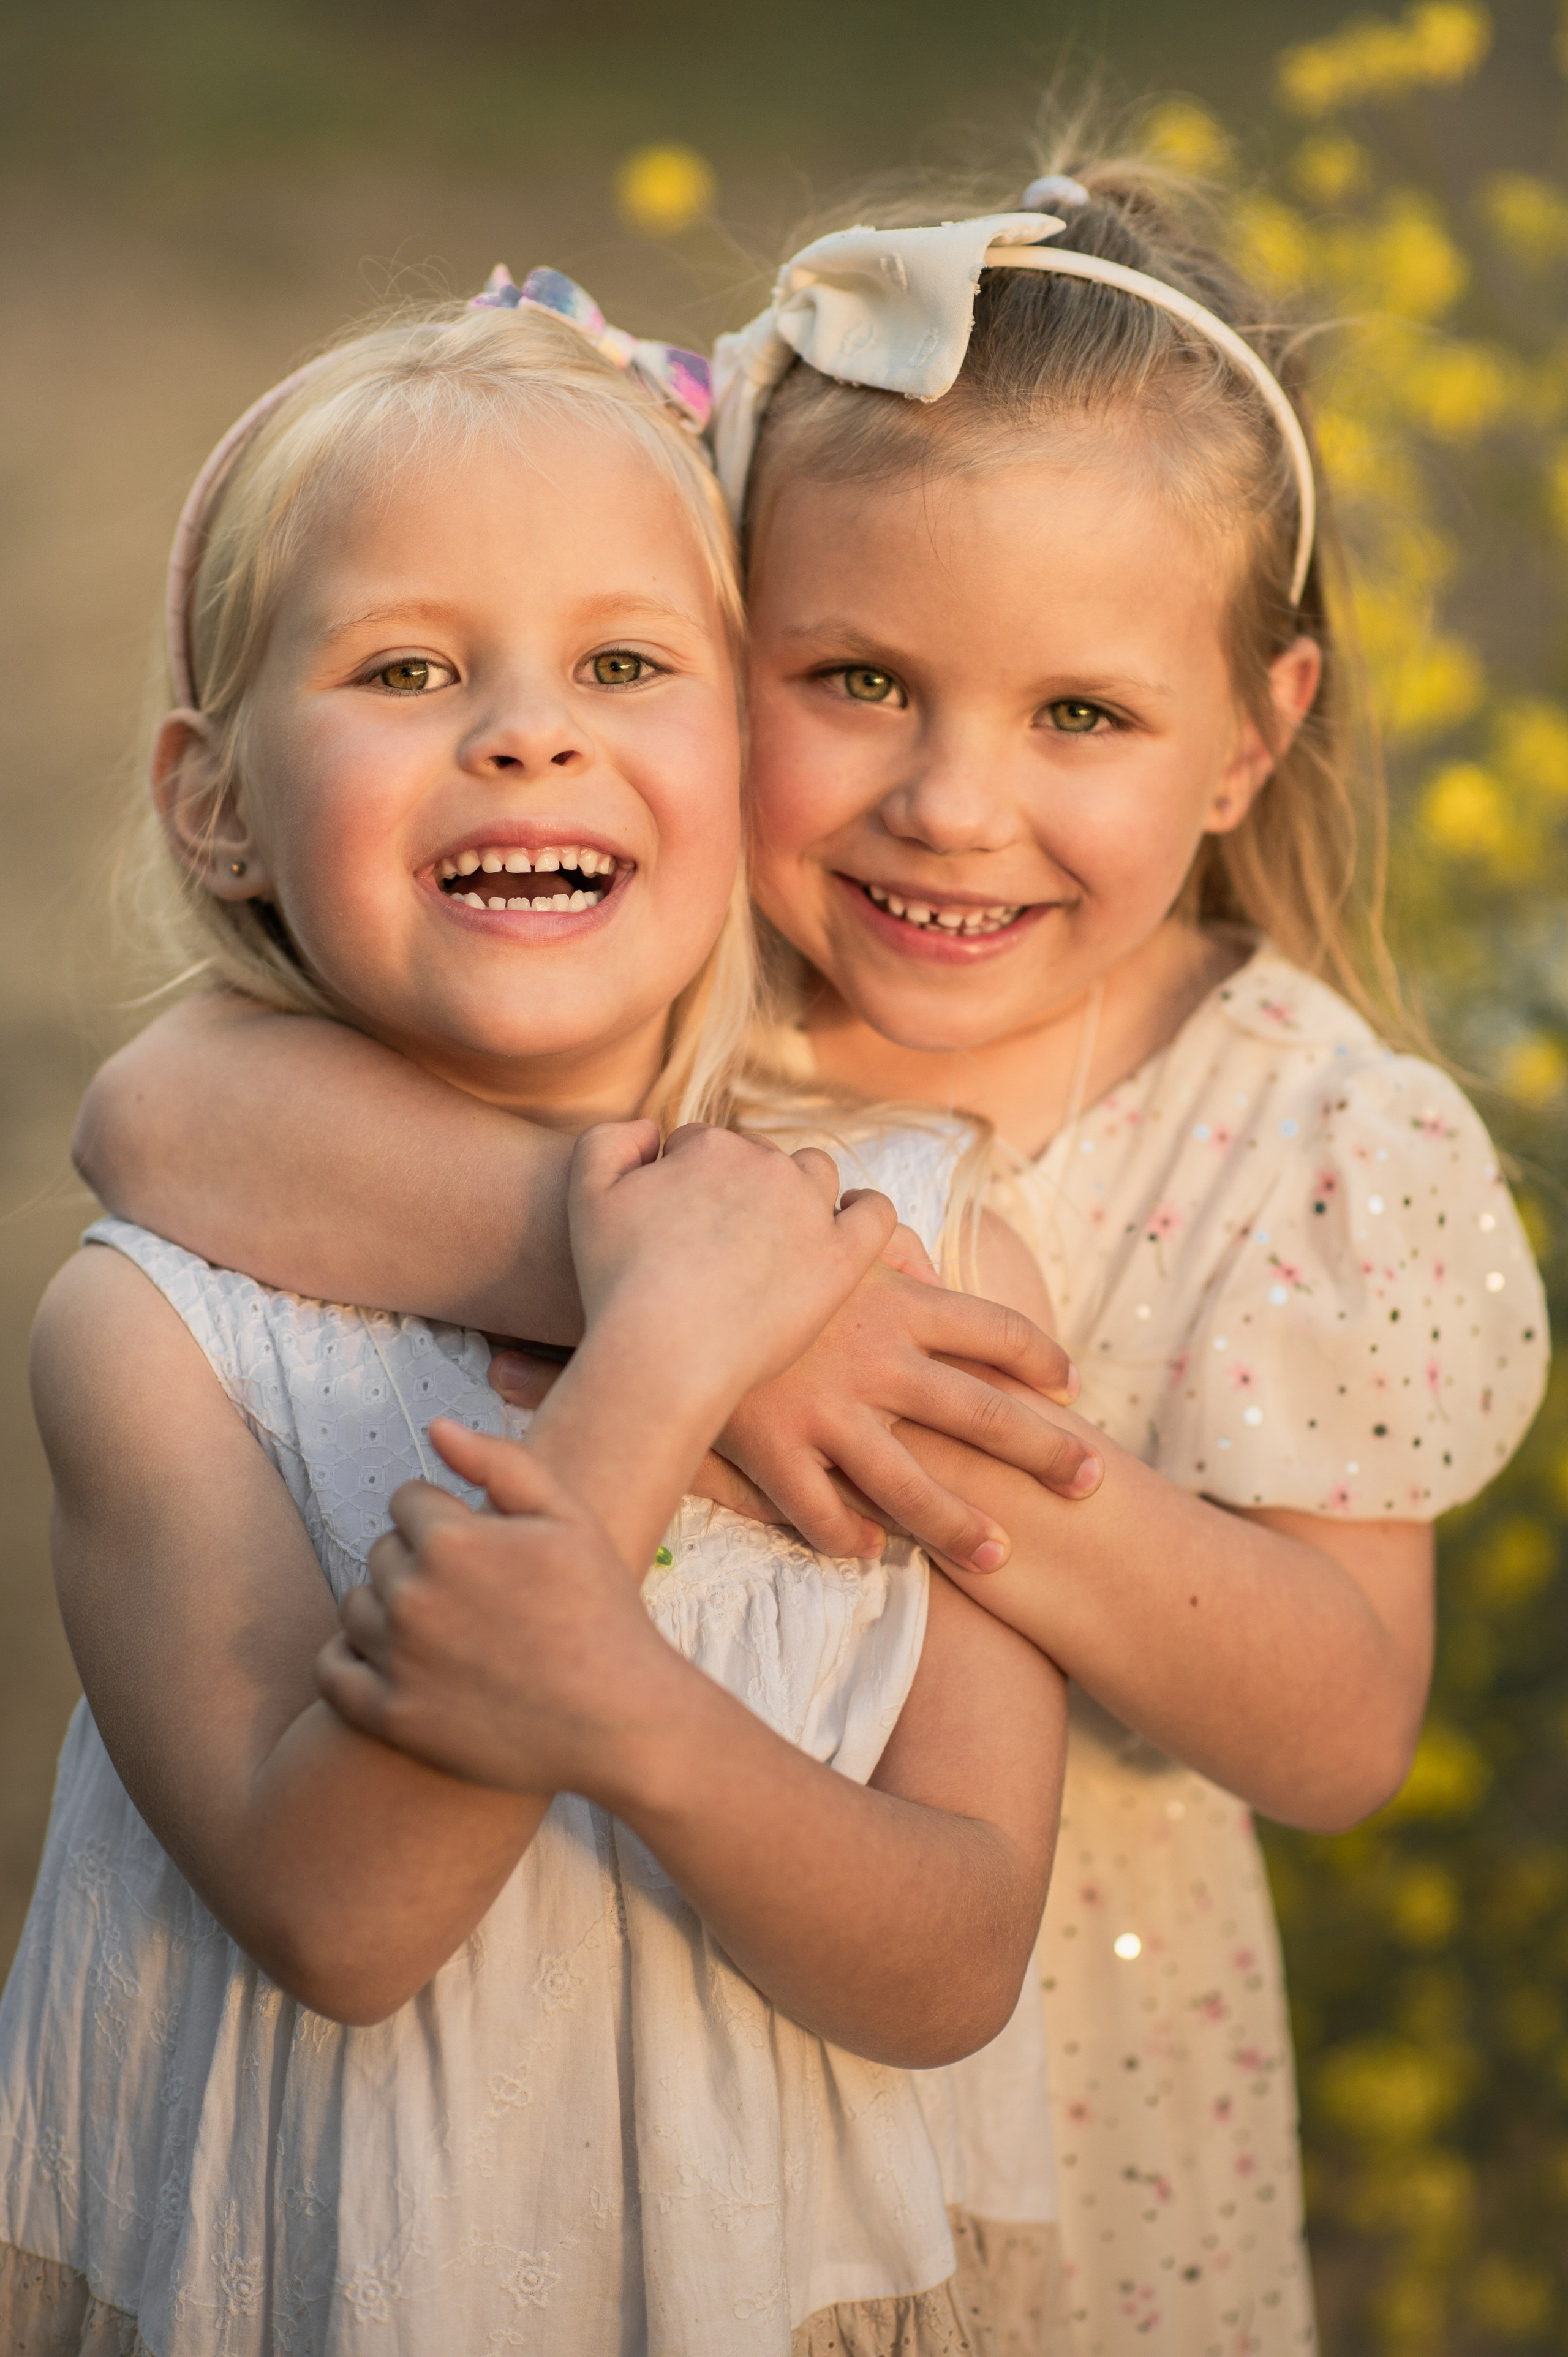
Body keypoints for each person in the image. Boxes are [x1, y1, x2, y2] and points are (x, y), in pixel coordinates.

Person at [74, 148, 1550, 2353]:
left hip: (1063, 2064)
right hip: (573, 2080)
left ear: (1253, 736)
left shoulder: (1304, 1130)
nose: (950, 804)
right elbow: (162, 1115)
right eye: (856, 679)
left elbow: (1337, 1731)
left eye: (1080, 716)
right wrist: (718, 1328)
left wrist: (869, 1389)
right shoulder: (686, 983)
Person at [0, 283, 1084, 2357]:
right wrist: (664, 1356)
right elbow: (343, 1917)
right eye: (406, 668)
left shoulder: (935, 1250)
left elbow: (956, 1958)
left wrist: (643, 1733)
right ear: (213, 799)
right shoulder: (155, 1341)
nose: (527, 728)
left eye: (621, 662)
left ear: (746, 742)